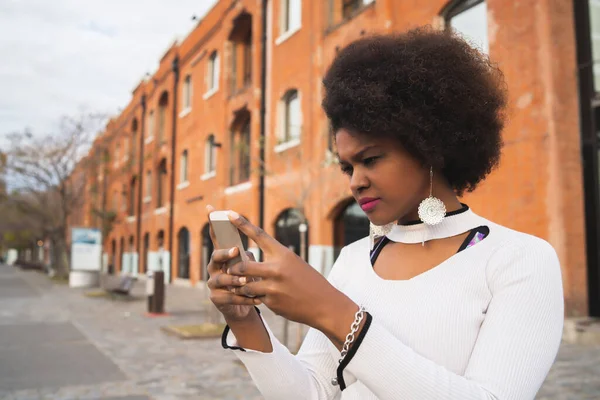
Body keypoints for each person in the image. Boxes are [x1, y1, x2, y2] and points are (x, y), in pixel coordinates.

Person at [205, 27, 564, 399]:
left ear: (429, 146)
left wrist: (333, 312)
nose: (355, 182)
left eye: (371, 159)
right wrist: (244, 321)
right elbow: (311, 393)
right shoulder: (353, 259)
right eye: (347, 168)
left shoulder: (518, 260)